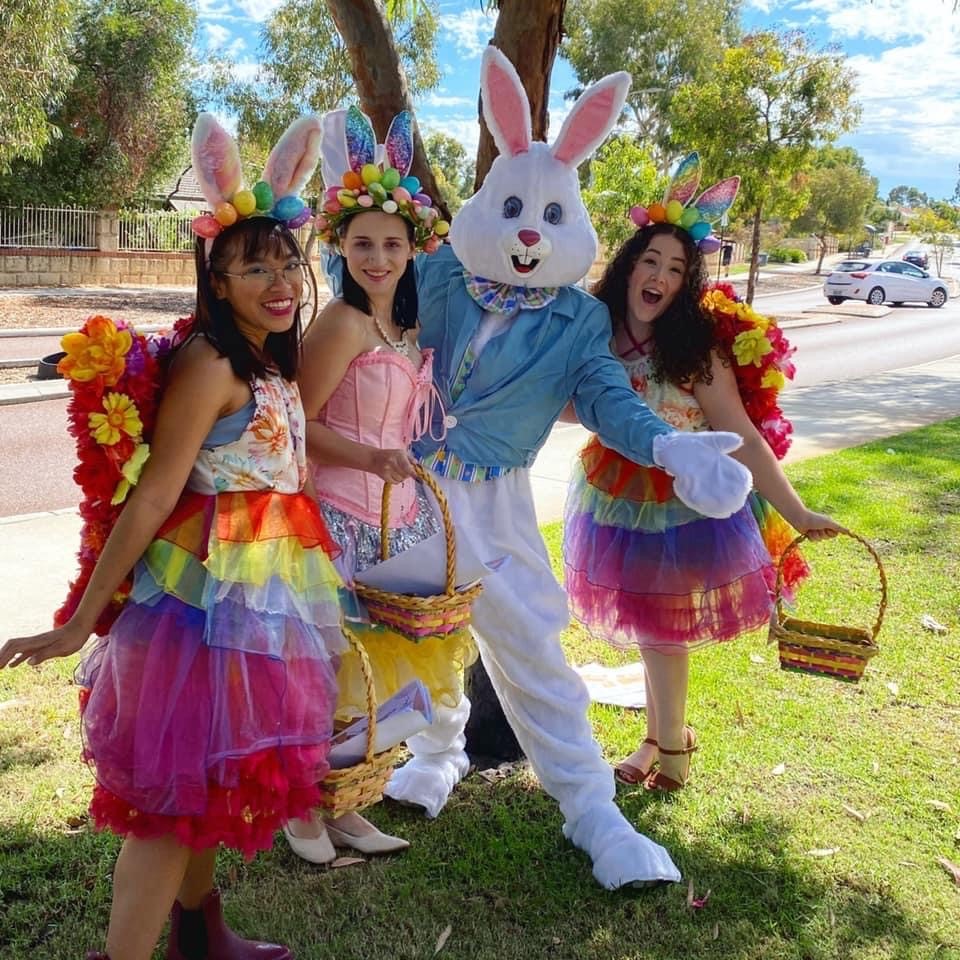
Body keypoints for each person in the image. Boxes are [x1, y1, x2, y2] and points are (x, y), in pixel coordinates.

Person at [317, 51, 753, 890]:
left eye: (548, 215)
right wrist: (353, 192)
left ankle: (595, 813)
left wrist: (668, 446)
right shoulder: (436, 272)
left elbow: (607, 400)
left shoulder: (580, 322)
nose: (527, 231)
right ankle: (437, 753)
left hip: (497, 501)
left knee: (530, 650)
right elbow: (365, 296)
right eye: (513, 207)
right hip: (403, 490)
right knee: (409, 630)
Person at [0, 114, 342, 960]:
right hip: (198, 607)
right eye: (251, 266)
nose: (277, 280)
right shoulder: (212, 364)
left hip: (260, 600)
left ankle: (201, 931)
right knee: (169, 802)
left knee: (207, 779)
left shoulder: (267, 359)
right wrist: (82, 618)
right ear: (215, 280)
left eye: (285, 262)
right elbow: (154, 498)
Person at [563, 177, 844, 793]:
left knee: (663, 631)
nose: (657, 274)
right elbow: (568, 405)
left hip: (682, 505)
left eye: (674, 267)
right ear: (629, 267)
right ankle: (658, 739)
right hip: (614, 495)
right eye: (649, 260)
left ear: (685, 283)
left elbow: (741, 434)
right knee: (646, 627)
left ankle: (670, 751)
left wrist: (796, 512)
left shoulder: (695, 350)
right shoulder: (597, 337)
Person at [284, 110, 474, 860]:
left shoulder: (404, 326)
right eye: (363, 243)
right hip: (330, 515)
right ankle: (300, 807)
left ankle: (348, 805)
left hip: (388, 525)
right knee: (325, 668)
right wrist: (369, 461)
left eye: (391, 244)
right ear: (342, 246)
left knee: (367, 675)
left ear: (413, 249)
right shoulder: (341, 323)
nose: (377, 256)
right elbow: (293, 423)